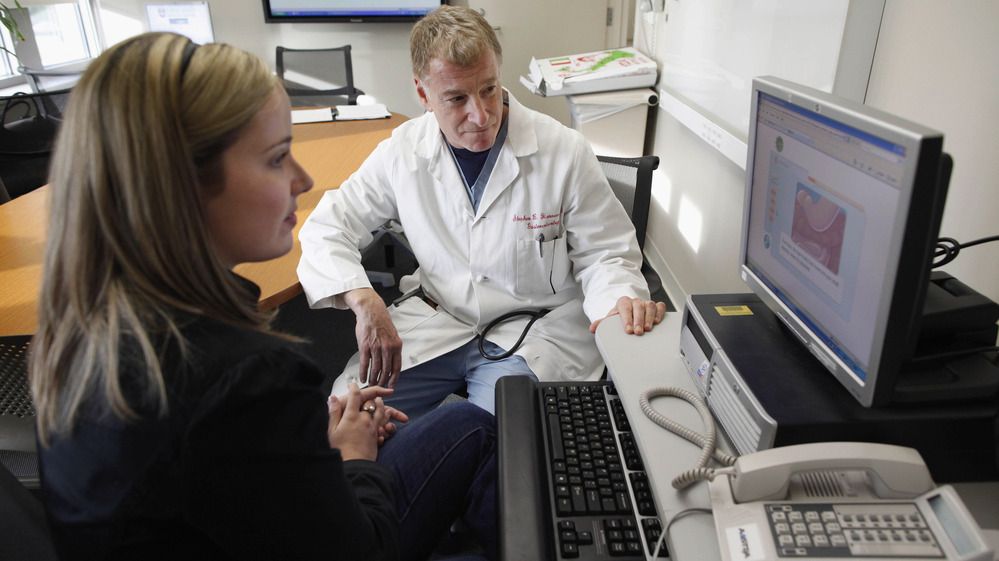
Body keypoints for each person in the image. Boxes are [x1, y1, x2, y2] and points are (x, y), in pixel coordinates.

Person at [30, 32, 497, 561]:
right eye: (277, 158)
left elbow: (224, 481)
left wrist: (298, 445)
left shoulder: (83, 324)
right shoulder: (246, 377)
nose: (302, 179)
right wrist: (352, 459)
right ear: (184, 184)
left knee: (465, 422)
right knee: (479, 430)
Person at [298, 5, 668, 422]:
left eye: (489, 89)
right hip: (441, 320)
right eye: (456, 99)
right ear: (423, 95)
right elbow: (328, 226)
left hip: (531, 332)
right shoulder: (403, 151)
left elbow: (606, 254)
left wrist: (619, 303)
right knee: (349, 417)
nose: (481, 114)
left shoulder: (562, 150)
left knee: (499, 443)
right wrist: (365, 301)